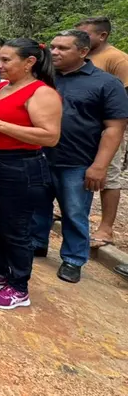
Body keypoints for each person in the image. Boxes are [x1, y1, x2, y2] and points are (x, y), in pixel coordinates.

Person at [0, 39, 62, 310]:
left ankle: (19, 286)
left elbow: (50, 136)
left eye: (7, 60)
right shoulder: (0, 87)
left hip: (18, 166)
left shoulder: (41, 93)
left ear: (30, 62)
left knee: (15, 228)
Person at [31, 30, 128, 284]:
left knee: (74, 211)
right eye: (53, 47)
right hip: (40, 156)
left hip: (77, 161)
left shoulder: (106, 83)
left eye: (63, 48)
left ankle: (73, 259)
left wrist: (99, 166)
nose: (54, 52)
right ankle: (37, 243)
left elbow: (114, 127)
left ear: (83, 52)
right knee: (37, 205)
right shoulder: (46, 78)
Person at [75, 16, 128, 249]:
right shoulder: (82, 56)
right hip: (80, 128)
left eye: (86, 34)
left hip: (107, 129)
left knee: (108, 175)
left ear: (102, 35)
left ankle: (106, 228)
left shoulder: (117, 59)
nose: (81, 39)